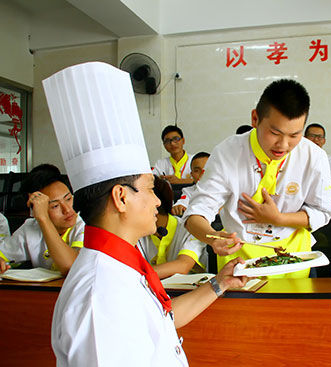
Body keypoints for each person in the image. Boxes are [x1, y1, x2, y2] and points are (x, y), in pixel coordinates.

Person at [44, 61, 247, 366]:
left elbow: (162, 321)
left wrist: (220, 284)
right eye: (151, 189)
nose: (157, 202)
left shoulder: (123, 265)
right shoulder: (99, 295)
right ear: (121, 197)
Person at [183, 79, 331, 278]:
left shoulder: (314, 157)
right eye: (274, 132)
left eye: (295, 135)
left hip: (295, 260)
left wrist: (278, 218)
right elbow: (196, 213)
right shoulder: (227, 153)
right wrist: (213, 238)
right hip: (240, 263)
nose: (283, 145)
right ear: (255, 118)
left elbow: (323, 212)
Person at [0, 164, 84, 275]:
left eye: (68, 199)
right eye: (55, 206)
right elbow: (3, 254)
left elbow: (70, 266)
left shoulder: (86, 223)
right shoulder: (31, 227)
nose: (67, 210)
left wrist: (44, 218)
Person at [138, 176, 207, 279]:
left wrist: (135, 275)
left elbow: (183, 266)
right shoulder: (136, 232)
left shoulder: (191, 228)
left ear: (155, 205)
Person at [171, 152, 210, 216]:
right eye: (197, 171)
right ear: (192, 175)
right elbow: (183, 202)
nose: (202, 174)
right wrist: (179, 206)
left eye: (206, 169)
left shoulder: (227, 188)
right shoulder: (188, 191)